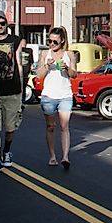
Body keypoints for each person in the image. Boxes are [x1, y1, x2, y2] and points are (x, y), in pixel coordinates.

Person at [0, 10, 26, 173]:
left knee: (10, 127)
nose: (0, 26)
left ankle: (7, 151)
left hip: (13, 90)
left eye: (2, 23)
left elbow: (19, 63)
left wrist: (22, 87)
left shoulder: (15, 41)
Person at [37, 27, 76, 170]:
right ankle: (52, 156)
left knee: (65, 126)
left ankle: (65, 157)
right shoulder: (44, 54)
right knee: (51, 127)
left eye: (55, 41)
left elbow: (74, 74)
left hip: (65, 95)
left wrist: (67, 69)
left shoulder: (69, 54)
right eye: (49, 41)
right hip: (49, 96)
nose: (51, 44)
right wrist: (47, 65)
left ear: (62, 41)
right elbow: (39, 75)